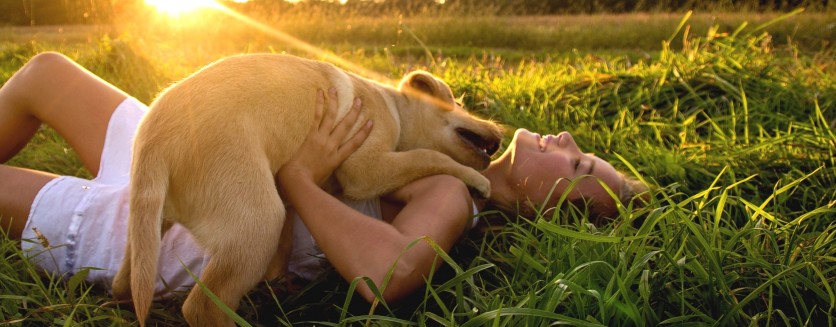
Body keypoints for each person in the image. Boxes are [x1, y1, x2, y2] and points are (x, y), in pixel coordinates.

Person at [0, 52, 647, 309]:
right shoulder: (451, 148)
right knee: (47, 74)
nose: (568, 142)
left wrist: (301, 177)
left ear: (553, 207)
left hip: (204, 221)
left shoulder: (454, 194)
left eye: (580, 163)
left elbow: (386, 271)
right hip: (210, 140)